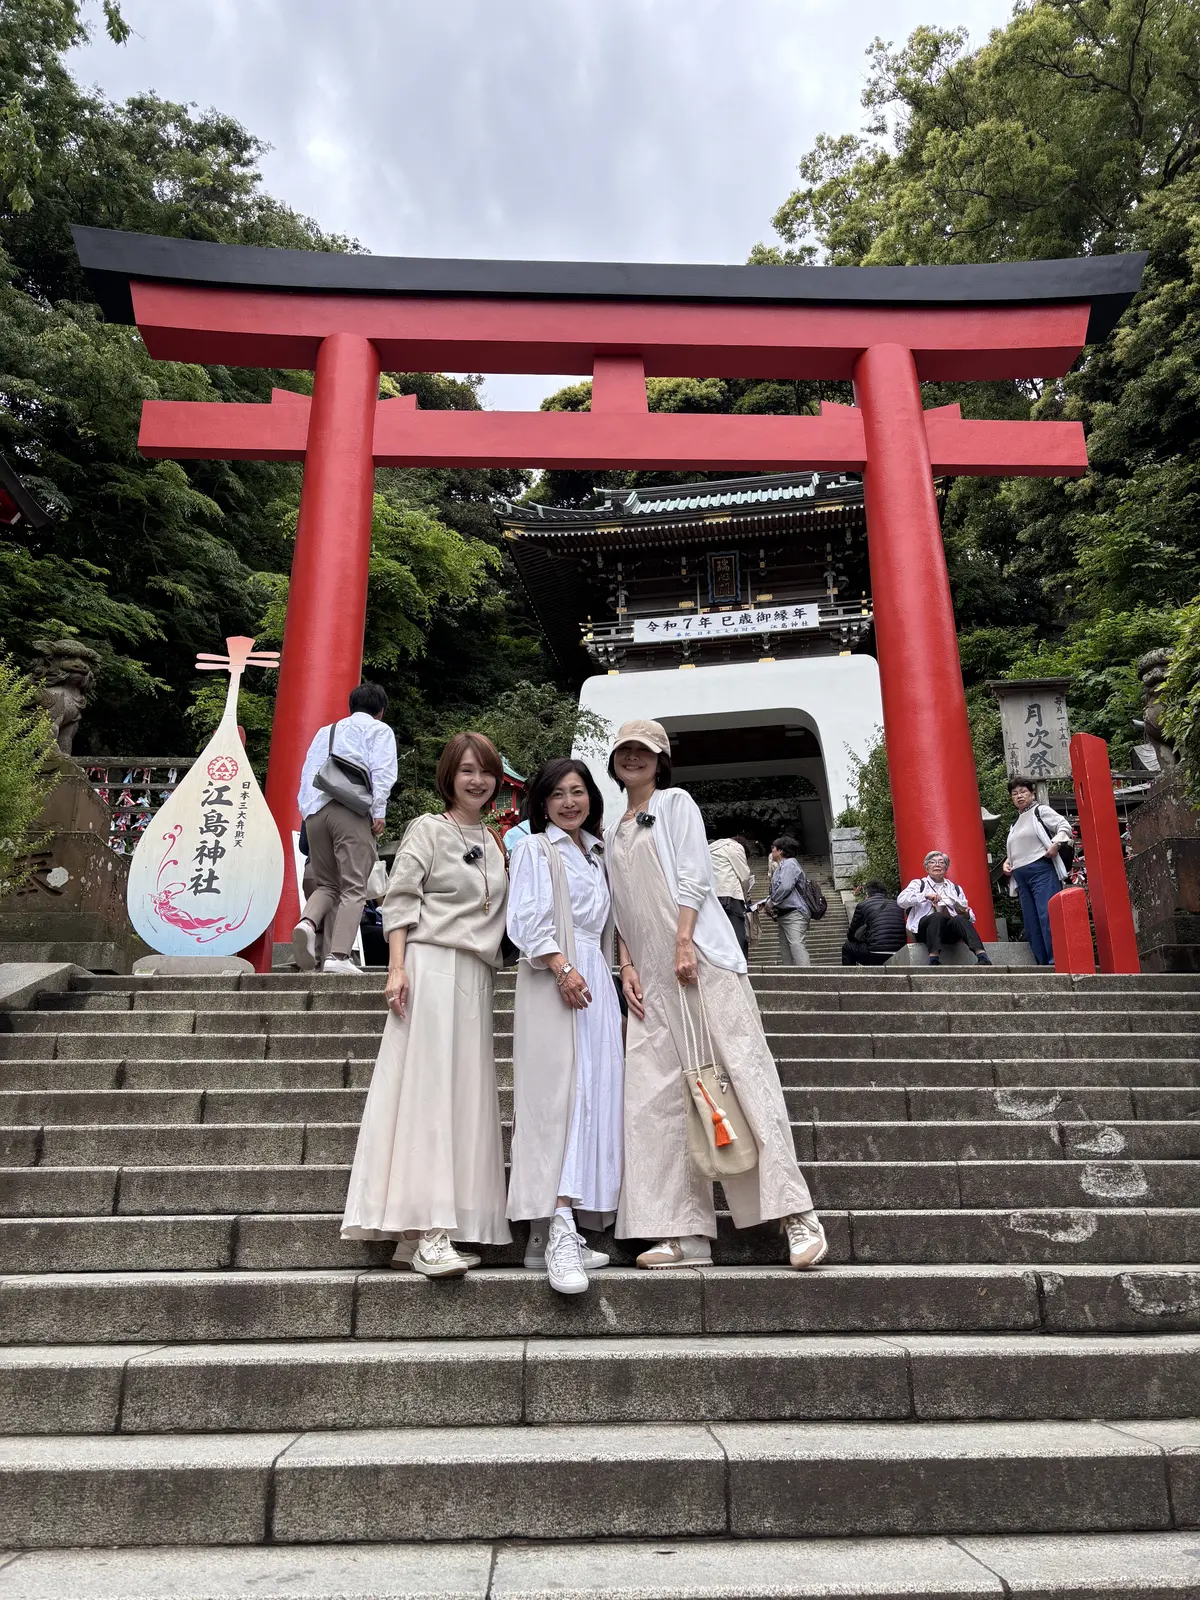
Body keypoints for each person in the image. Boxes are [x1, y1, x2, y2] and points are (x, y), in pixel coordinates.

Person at [604, 719, 826, 1272]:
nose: (633, 758)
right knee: (653, 1100)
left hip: (698, 961)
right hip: (649, 981)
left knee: (743, 1076)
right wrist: (626, 964)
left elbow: (694, 875)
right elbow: (620, 908)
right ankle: (683, 1232)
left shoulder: (674, 803)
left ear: (660, 759)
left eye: (644, 751)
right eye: (625, 750)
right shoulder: (613, 830)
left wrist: (683, 942)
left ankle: (796, 1215)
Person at [340, 732, 511, 1278]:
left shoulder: (496, 839)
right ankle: (429, 1230)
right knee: (427, 1093)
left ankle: (420, 1236)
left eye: (485, 771)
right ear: (448, 776)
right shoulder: (428, 829)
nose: (477, 780)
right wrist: (396, 968)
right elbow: (400, 899)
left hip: (477, 974)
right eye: (466, 770)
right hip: (431, 966)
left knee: (462, 1096)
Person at [506, 758, 623, 1295]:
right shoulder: (535, 848)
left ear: (591, 797)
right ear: (542, 802)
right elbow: (526, 918)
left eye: (578, 792)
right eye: (557, 794)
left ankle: (552, 1231)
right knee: (556, 1098)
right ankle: (556, 1229)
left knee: (590, 1095)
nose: (569, 802)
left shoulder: (597, 853)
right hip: (554, 974)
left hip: (594, 977)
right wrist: (560, 966)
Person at [293, 683, 397, 975]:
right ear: (381, 711)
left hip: (315, 813)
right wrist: (379, 812)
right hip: (350, 811)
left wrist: (308, 812)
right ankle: (338, 956)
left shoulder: (326, 732)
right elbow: (383, 771)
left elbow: (307, 773)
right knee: (354, 886)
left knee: (328, 885)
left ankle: (307, 923)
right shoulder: (379, 730)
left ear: (351, 707)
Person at [1002, 778, 1072, 966]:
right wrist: (1007, 862)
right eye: (1015, 794)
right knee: (1031, 922)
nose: (1019, 796)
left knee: (1047, 915)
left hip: (1041, 870)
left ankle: (1056, 961)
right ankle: (1042, 962)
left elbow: (1064, 825)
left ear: (1032, 793)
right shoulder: (1014, 823)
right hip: (1021, 876)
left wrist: (1056, 844)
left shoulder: (1040, 811)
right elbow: (1017, 849)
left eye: (1023, 791)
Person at [898, 851, 993, 966]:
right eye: (932, 862)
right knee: (937, 916)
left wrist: (966, 914)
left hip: (948, 932)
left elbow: (970, 915)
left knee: (959, 919)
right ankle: (934, 958)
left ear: (946, 867)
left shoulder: (955, 888)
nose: (937, 865)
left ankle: (982, 956)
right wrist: (925, 896)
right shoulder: (919, 884)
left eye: (941, 862)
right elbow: (901, 901)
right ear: (927, 867)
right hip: (924, 931)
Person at [767, 835, 811, 967]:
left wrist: (771, 902)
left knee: (797, 946)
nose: (771, 851)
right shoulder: (781, 867)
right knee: (786, 950)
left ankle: (807, 977)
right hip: (784, 914)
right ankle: (791, 977)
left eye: (773, 848)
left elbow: (785, 887)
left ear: (780, 850)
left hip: (794, 913)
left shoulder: (790, 864)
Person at [708, 832, 753, 956]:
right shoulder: (735, 847)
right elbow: (744, 876)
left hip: (712, 898)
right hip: (730, 896)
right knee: (737, 935)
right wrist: (745, 896)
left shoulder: (709, 849)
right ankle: (737, 962)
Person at [842, 881, 907, 965]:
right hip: (899, 952)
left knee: (847, 947)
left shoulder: (863, 905)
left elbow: (851, 934)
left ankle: (850, 973)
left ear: (867, 894)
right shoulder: (898, 905)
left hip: (875, 953)